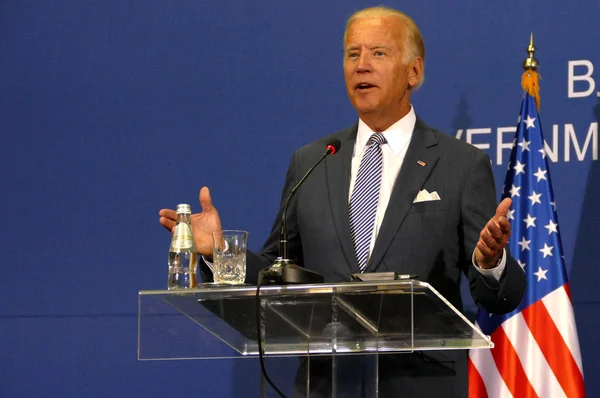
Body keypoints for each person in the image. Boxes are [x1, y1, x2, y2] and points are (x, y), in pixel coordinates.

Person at [159, 6, 526, 397]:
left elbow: (500, 296)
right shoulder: (314, 160)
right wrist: (218, 252)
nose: (361, 66)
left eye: (378, 53)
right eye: (353, 54)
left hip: (420, 384)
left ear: (413, 72)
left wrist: (490, 264)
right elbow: (277, 272)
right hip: (328, 383)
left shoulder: (461, 164)